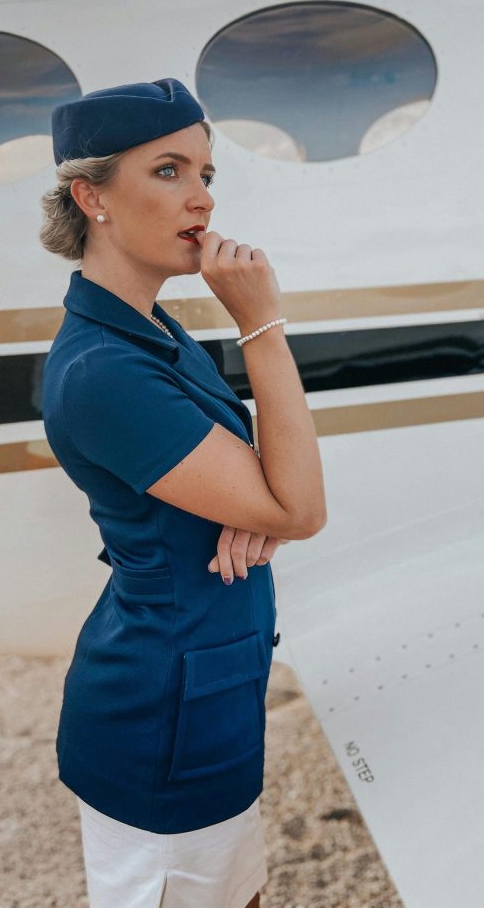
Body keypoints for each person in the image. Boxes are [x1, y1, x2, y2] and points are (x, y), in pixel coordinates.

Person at [39, 78, 327, 908]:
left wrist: (258, 513)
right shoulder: (103, 370)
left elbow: (272, 493)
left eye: (206, 174)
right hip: (160, 713)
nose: (201, 198)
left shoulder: (155, 329)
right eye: (169, 171)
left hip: (210, 691)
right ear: (90, 195)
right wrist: (261, 322)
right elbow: (301, 505)